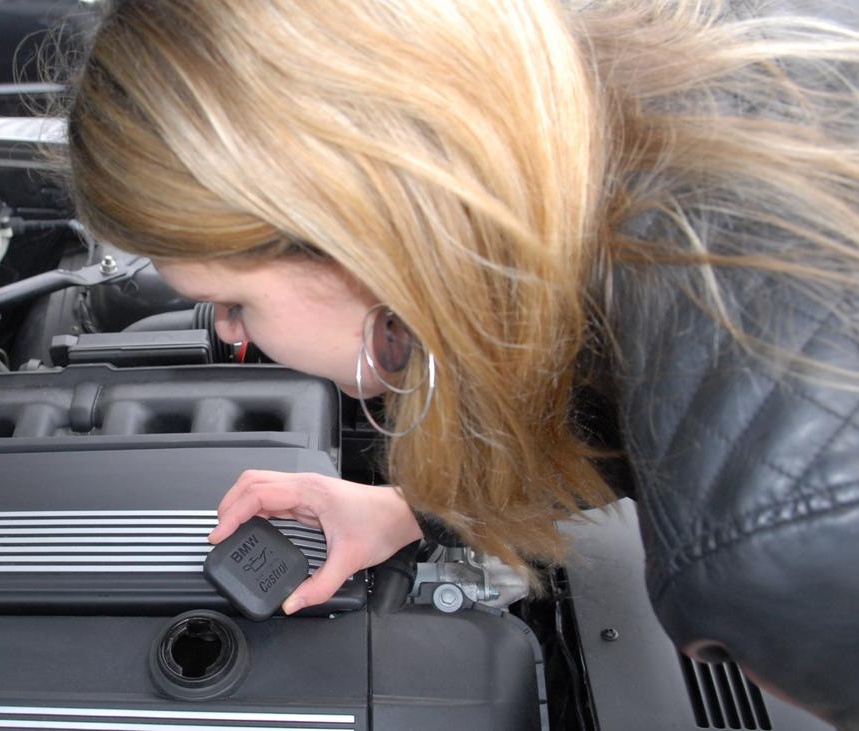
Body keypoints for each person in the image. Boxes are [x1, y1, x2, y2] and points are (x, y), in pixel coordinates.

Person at [57, 0, 859, 726]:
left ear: (352, 233)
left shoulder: (778, 541)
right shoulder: (661, 81)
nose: (237, 336)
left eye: (234, 304)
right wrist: (413, 507)